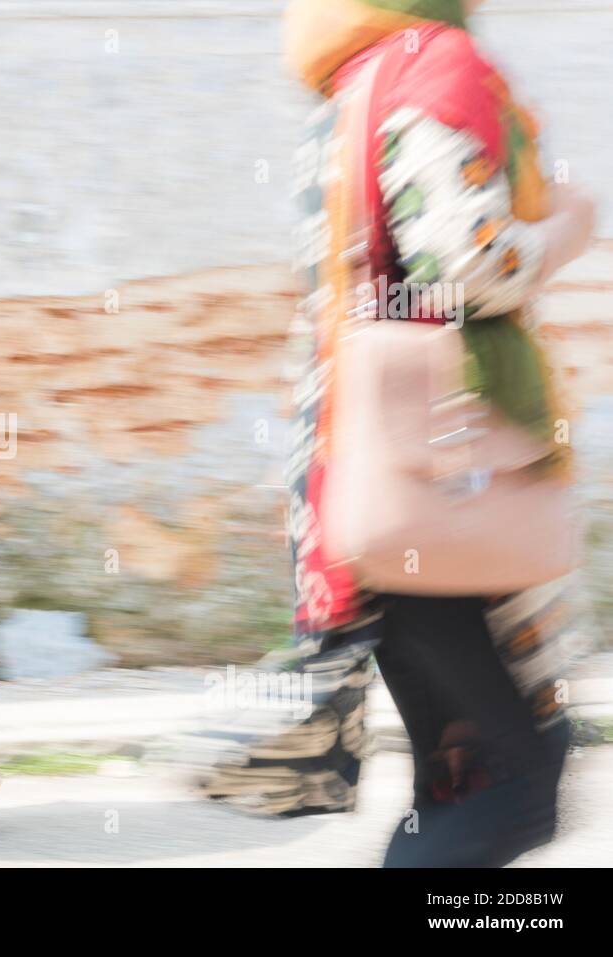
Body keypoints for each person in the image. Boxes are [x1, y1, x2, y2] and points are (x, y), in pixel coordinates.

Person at [201, 0, 595, 866]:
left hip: (376, 484)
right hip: (447, 485)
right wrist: (564, 230)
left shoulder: (352, 82)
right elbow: (461, 262)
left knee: (462, 781)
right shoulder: (437, 63)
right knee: (519, 785)